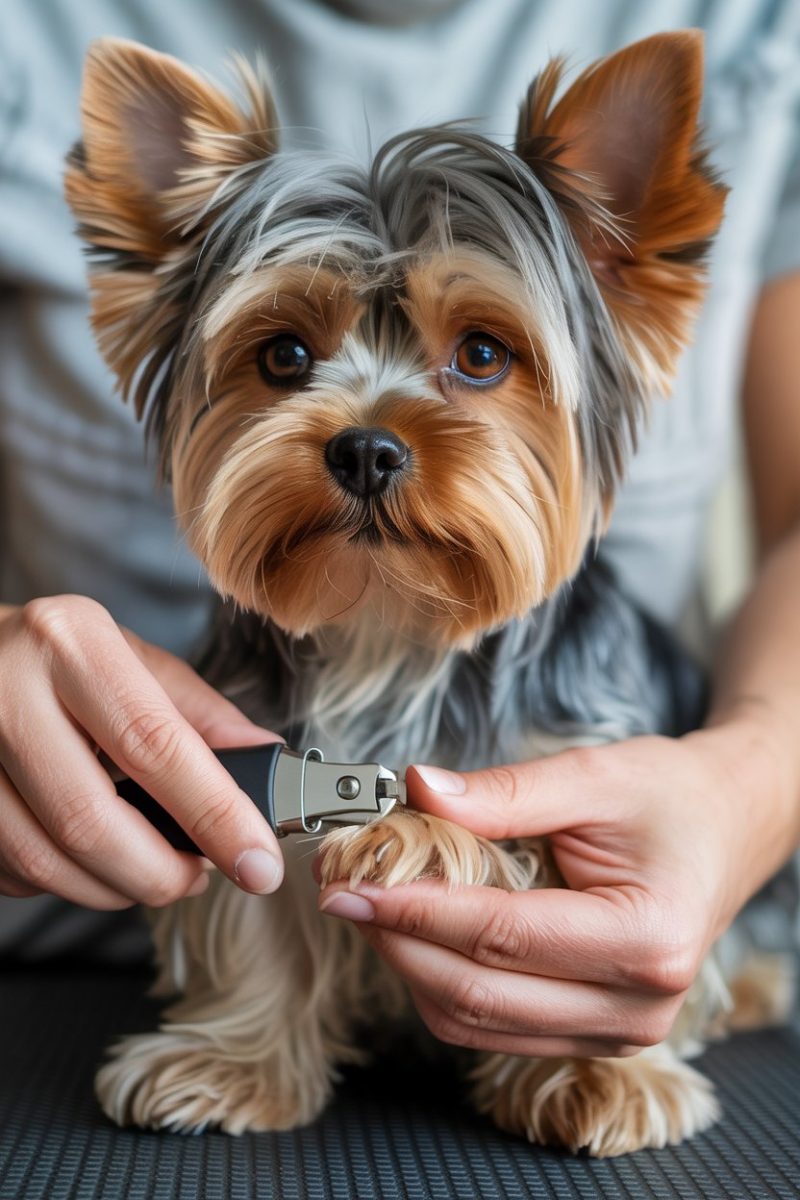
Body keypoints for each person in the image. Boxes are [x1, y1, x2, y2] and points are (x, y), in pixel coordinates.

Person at [1, 0, 798, 1057]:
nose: (367, 436)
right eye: (285, 359)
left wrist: (748, 782)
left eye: (477, 356)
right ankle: (252, 1019)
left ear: (618, 284)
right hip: (57, 953)